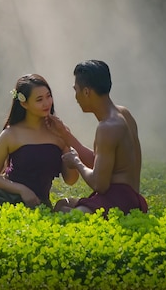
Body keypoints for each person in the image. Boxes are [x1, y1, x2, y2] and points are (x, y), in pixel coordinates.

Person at [51, 60, 148, 216]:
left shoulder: (108, 127)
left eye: (76, 90)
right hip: (130, 198)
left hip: (119, 202)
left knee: (69, 215)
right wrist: (65, 135)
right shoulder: (123, 113)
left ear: (87, 92)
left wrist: (76, 162)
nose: (75, 97)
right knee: (62, 203)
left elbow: (99, 184)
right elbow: (102, 163)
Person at [0, 74, 79, 212]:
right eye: (39, 99)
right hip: (2, 198)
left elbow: (71, 180)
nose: (47, 103)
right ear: (24, 103)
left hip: (37, 204)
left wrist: (67, 141)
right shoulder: (11, 134)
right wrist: (21, 190)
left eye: (48, 96)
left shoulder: (59, 133)